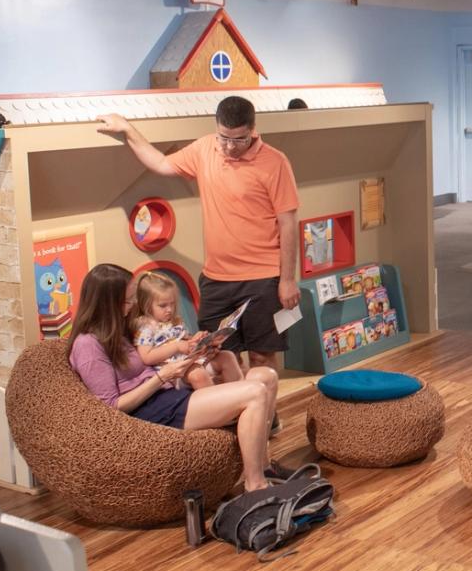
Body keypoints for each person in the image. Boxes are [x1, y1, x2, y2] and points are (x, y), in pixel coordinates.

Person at [97, 97, 300, 373]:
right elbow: (161, 163)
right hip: (216, 279)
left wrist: (287, 280)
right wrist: (128, 130)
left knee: (261, 358)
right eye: (224, 137)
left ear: (253, 130)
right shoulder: (205, 148)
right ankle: (236, 415)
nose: (230, 146)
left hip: (262, 278)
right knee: (219, 356)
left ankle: (267, 416)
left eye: (239, 139)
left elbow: (288, 223)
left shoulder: (275, 162)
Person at [68, 264, 287, 492]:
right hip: (154, 410)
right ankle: (256, 485)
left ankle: (264, 466)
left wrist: (198, 350)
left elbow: (158, 352)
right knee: (255, 392)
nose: (133, 305)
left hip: (170, 392)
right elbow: (112, 406)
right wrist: (162, 377)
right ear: (107, 304)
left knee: (266, 376)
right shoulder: (87, 345)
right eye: (127, 301)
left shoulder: (119, 329)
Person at [130, 271, 243, 390]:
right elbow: (147, 357)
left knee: (227, 356)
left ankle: (241, 395)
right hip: (175, 373)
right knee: (198, 374)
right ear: (146, 305)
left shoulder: (175, 321)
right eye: (163, 305)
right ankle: (220, 406)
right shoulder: (145, 327)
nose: (169, 309)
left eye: (172, 304)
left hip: (192, 361)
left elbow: (186, 340)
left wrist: (198, 339)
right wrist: (177, 347)